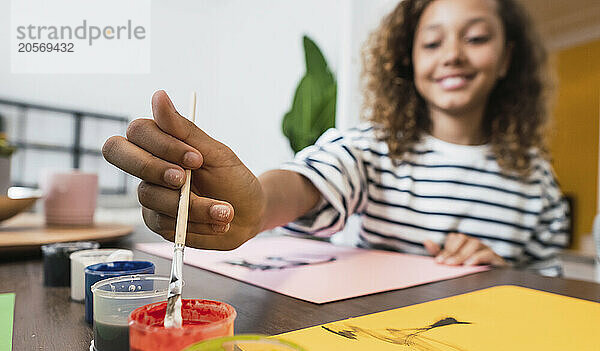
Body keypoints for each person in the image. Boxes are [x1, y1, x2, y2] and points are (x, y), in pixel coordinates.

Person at [102, 0, 569, 271]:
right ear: (408, 60)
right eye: (432, 42)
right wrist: (255, 206)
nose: (451, 55)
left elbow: (550, 286)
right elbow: (309, 179)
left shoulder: (536, 179)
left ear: (507, 59)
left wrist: (501, 276)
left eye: (476, 38)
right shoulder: (373, 148)